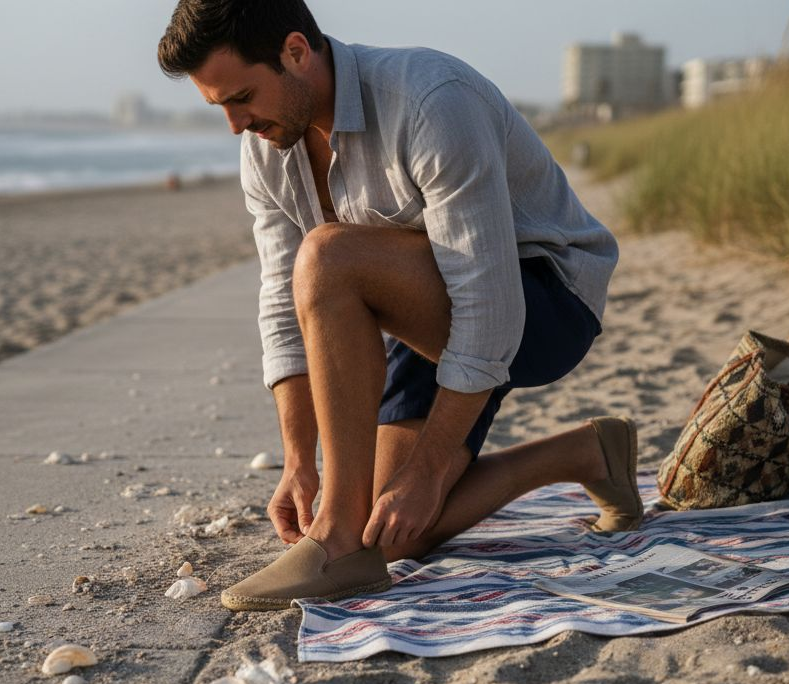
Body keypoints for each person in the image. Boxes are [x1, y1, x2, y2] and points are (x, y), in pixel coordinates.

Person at [157, 0, 642, 612]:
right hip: (427, 316)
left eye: (242, 97)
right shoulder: (267, 145)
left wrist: (430, 471)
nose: (234, 124)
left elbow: (488, 308)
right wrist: (299, 461)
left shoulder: (432, 100)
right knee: (384, 535)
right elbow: (283, 306)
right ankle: (586, 453)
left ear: (296, 52)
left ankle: (333, 535)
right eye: (220, 106)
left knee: (328, 256)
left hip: (544, 298)